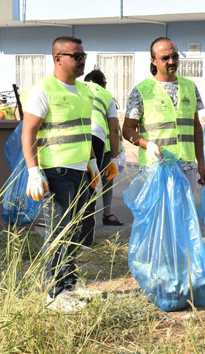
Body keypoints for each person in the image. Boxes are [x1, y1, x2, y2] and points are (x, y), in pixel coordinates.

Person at [21, 36, 98, 312]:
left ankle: (69, 284)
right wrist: (33, 170)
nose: (82, 60)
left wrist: (92, 162)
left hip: (79, 171)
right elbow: (28, 131)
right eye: (76, 56)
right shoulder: (43, 89)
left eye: (83, 55)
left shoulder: (83, 90)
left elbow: (83, 131)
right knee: (58, 231)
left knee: (74, 229)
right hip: (56, 170)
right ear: (58, 58)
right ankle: (53, 293)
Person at [122, 37, 205, 200]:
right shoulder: (141, 90)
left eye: (175, 56)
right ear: (153, 61)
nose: (171, 61)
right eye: (165, 58)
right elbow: (127, 130)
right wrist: (147, 145)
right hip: (156, 168)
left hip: (187, 166)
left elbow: (195, 128)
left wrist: (201, 164)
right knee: (159, 222)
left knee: (183, 220)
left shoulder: (190, 87)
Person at [79, 69, 123, 247]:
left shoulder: (76, 87)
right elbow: (114, 128)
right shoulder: (107, 95)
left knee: (76, 184)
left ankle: (69, 235)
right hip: (99, 140)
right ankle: (86, 238)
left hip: (76, 136)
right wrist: (114, 157)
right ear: (103, 84)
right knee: (95, 185)